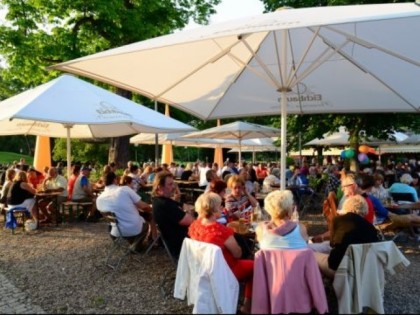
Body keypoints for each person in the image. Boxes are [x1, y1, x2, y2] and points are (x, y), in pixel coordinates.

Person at [188, 192, 254, 314]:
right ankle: (247, 306)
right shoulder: (221, 231)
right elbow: (237, 254)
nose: (222, 208)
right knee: (255, 266)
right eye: (220, 206)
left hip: (202, 269)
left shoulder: (194, 226)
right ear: (213, 210)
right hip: (225, 270)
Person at [313, 195, 380, 279]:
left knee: (312, 255)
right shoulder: (371, 228)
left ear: (347, 206)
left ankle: (318, 284)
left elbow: (332, 244)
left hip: (338, 267)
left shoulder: (337, 220)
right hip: (362, 270)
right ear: (364, 209)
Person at [96, 172, 150, 252]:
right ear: (115, 180)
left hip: (115, 231)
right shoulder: (124, 189)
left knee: (130, 221)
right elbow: (144, 206)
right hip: (132, 228)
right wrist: (151, 208)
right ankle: (137, 246)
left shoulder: (99, 199)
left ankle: (133, 244)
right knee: (146, 223)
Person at [152, 171, 195, 258]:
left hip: (181, 242)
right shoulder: (165, 204)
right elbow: (191, 220)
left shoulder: (159, 200)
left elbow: (186, 206)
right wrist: (189, 212)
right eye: (170, 184)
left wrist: (186, 209)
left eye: (173, 184)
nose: (174, 187)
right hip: (183, 246)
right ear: (160, 187)